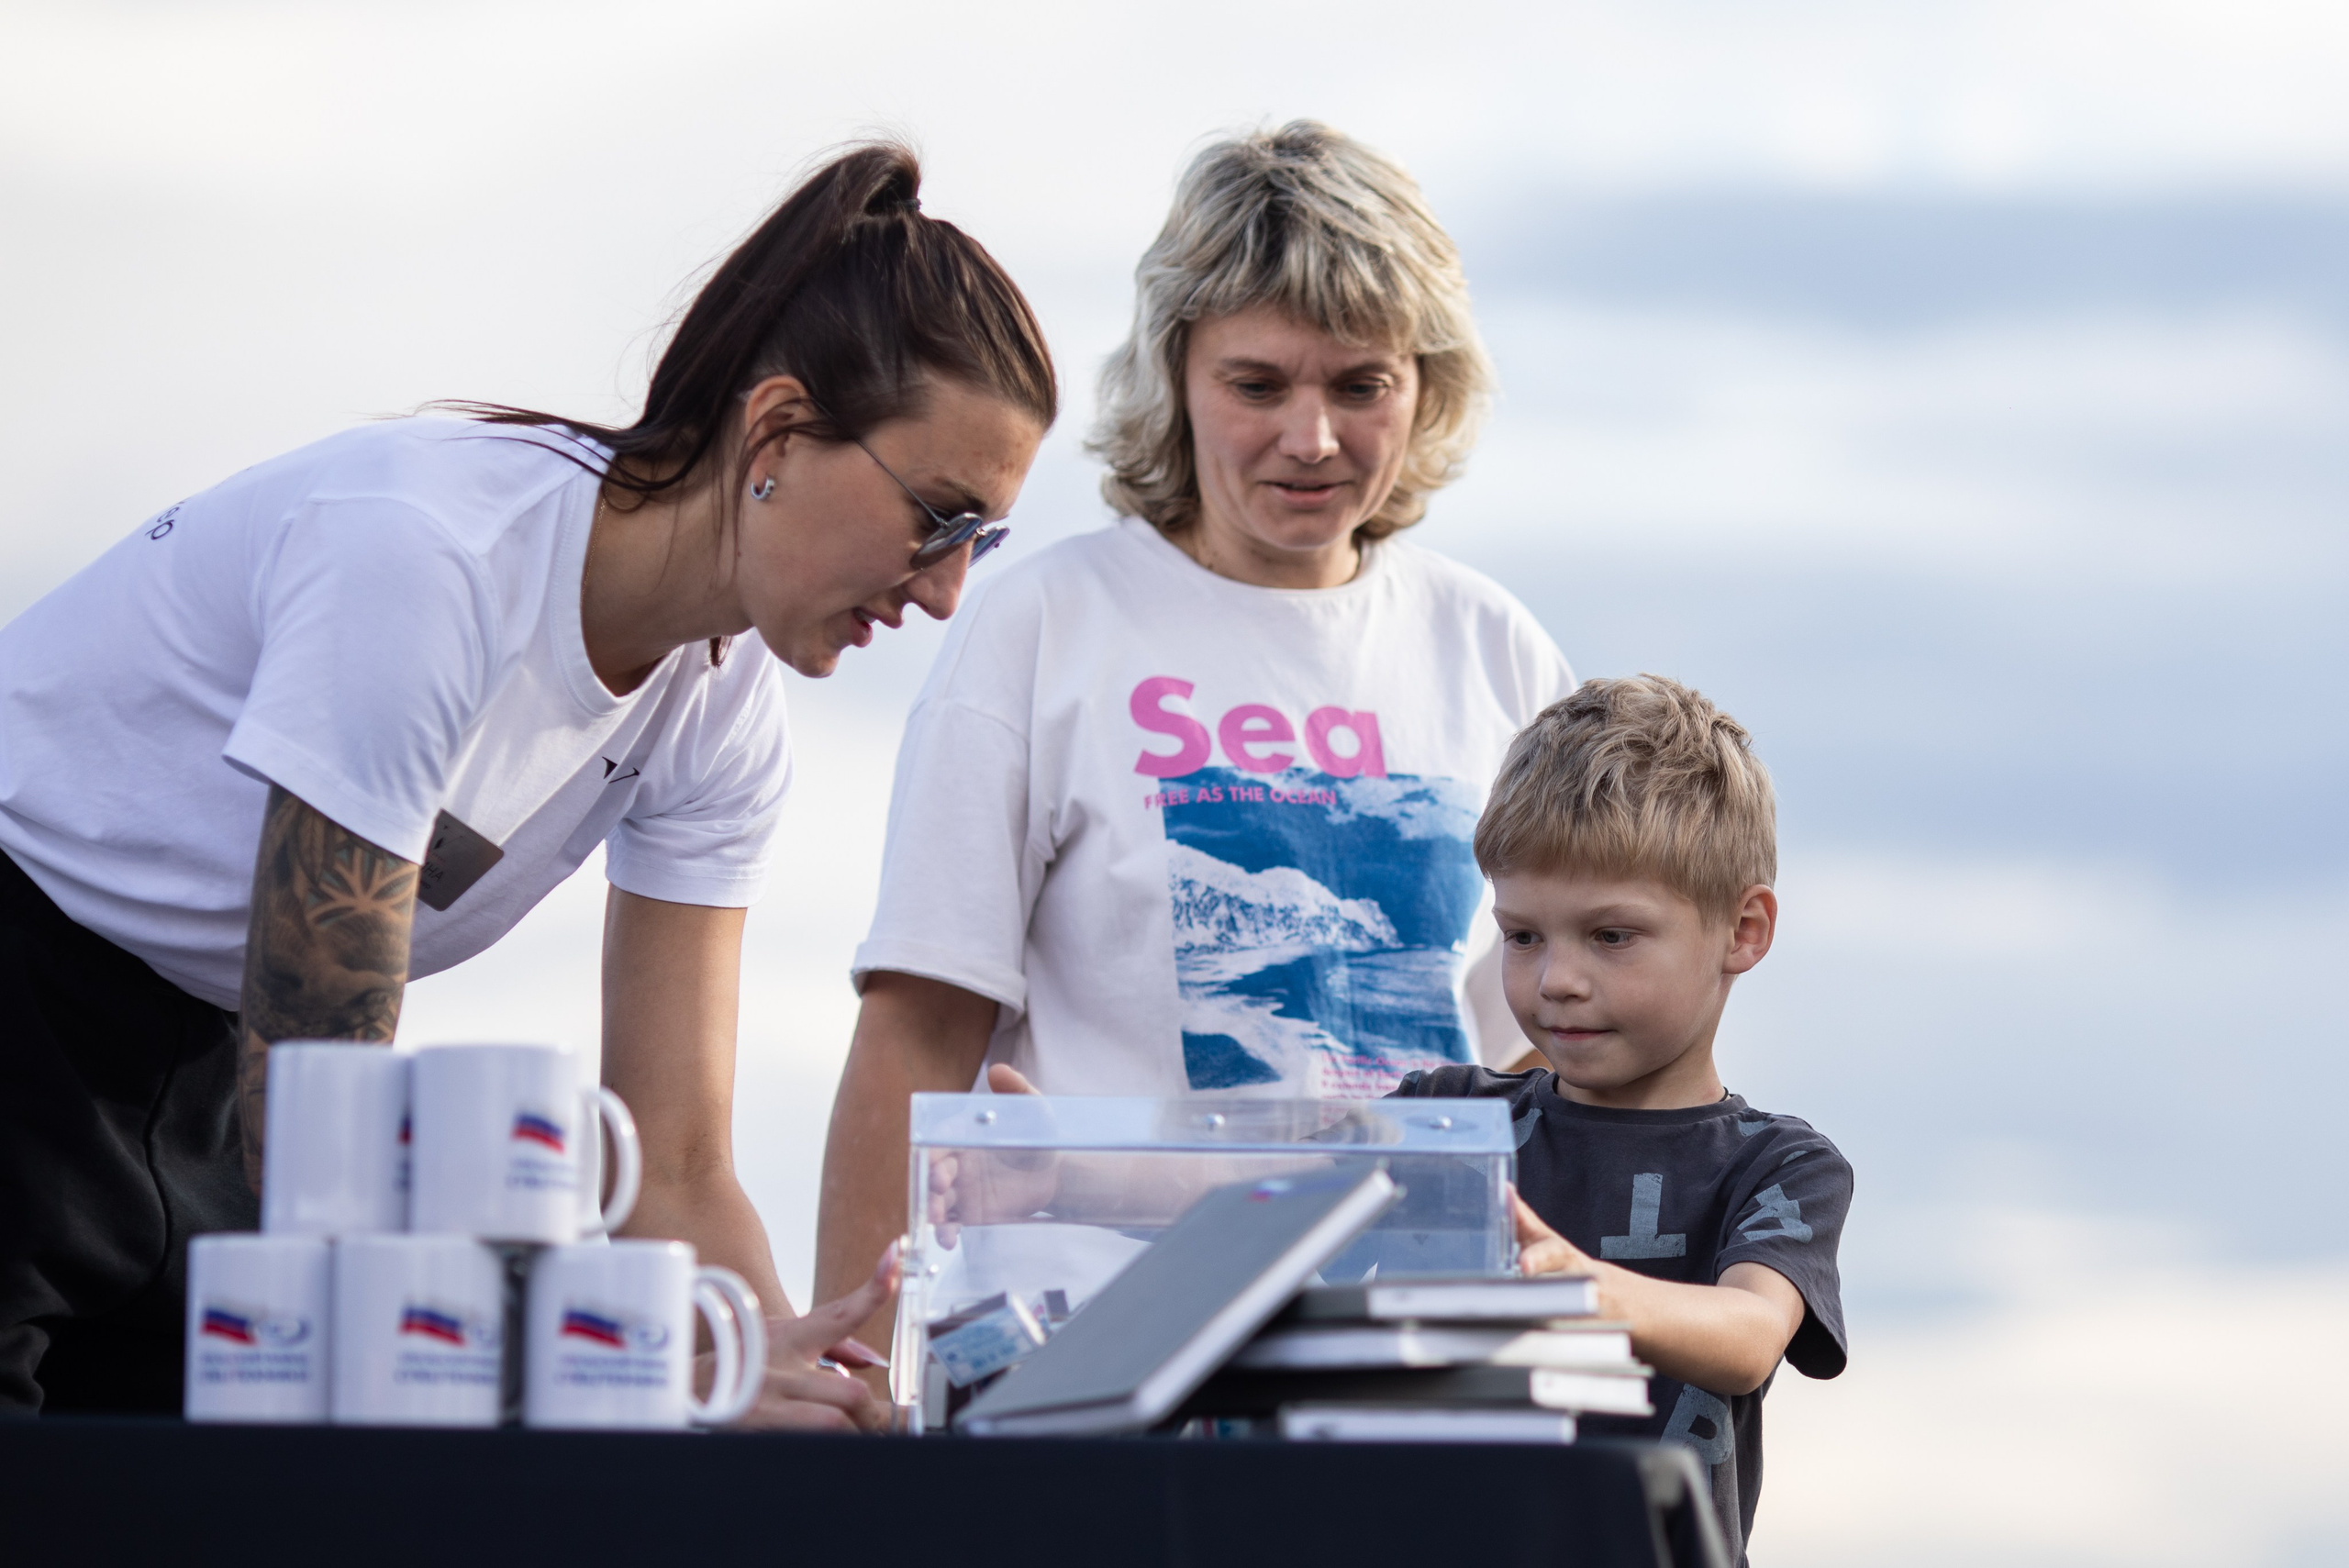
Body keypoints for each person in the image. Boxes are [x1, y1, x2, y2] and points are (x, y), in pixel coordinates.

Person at [0, 142, 1056, 1423]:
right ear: (777, 427)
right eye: (939, 519)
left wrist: (788, 1385)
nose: (948, 591)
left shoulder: (721, 712)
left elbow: (672, 1157)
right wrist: (644, 1366)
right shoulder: (431, 558)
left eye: (983, 545)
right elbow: (325, 1115)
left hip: (206, 1078)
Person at [815, 122, 1575, 1360]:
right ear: (1176, 373)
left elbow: (1559, 1054)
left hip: (1423, 1354)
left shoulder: (1496, 653)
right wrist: (857, 1385)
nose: (1311, 438)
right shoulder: (1047, 626)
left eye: (1360, 384)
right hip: (1088, 1356)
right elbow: (915, 1034)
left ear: (1426, 383)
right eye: (1259, 383)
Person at [1389, 675, 1852, 1560]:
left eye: (1610, 935)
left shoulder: (1781, 1165)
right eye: (1522, 935)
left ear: (1742, 930)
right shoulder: (1448, 1121)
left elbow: (1749, 1335)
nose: (1555, 977)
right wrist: (1065, 1168)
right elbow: (1256, 1191)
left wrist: (1584, 1285)